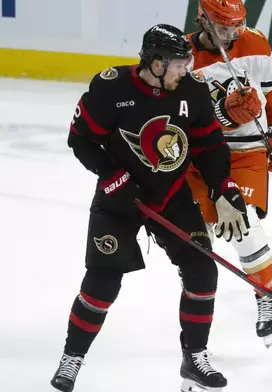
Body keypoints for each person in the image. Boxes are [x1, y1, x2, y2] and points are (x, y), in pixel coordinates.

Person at [50, 24, 249, 392]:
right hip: (120, 199)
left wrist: (223, 188)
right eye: (178, 64)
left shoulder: (192, 90)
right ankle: (71, 358)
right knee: (102, 283)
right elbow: (80, 139)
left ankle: (194, 357)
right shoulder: (112, 88)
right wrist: (111, 176)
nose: (185, 70)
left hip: (171, 194)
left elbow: (209, 146)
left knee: (202, 270)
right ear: (156, 63)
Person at [183, 0, 272, 346]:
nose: (231, 34)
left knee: (241, 221)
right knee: (197, 240)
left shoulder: (256, 44)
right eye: (222, 26)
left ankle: (268, 297)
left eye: (236, 26)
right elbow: (181, 122)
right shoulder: (182, 57)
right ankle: (198, 319)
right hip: (200, 156)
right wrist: (222, 114)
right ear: (202, 18)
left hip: (246, 152)